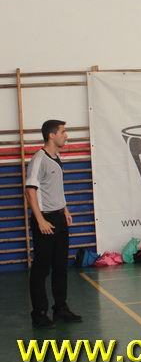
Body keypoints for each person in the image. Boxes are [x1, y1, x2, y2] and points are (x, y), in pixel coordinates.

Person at [26, 119, 82, 328]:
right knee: (41, 268)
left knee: (60, 266)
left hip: (59, 218)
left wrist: (64, 209)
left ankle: (60, 308)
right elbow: (30, 192)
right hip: (45, 220)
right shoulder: (39, 159)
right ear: (52, 135)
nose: (66, 135)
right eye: (63, 132)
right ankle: (39, 313)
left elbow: (55, 188)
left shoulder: (56, 157)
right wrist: (40, 220)